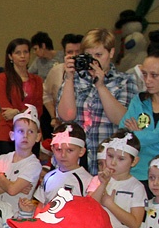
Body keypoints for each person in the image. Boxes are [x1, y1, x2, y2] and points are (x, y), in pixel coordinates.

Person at [57, 28, 137, 175]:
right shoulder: (74, 80)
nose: (93, 60)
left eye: (99, 55)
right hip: (74, 162)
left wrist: (100, 85)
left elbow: (121, 119)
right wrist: (68, 78)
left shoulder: (125, 81)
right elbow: (66, 116)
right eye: (88, 55)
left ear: (111, 53)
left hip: (108, 162)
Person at [120, 49, 159, 183]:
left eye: (154, 75)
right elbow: (124, 141)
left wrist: (140, 137)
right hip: (136, 178)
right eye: (145, 74)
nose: (147, 80)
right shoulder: (138, 102)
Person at [89, 131, 145, 228]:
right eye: (110, 156)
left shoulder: (136, 187)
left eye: (121, 159)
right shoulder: (99, 179)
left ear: (134, 161)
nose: (113, 162)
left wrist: (110, 204)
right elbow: (89, 209)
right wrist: (103, 184)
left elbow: (135, 223)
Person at [0, 38, 44, 156]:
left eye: (26, 52)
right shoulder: (3, 79)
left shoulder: (37, 80)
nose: (23, 56)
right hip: (8, 133)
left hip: (31, 134)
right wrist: (23, 112)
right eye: (18, 53)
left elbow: (38, 110)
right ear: (10, 56)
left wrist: (16, 112)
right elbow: (6, 112)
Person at [0, 105, 43, 211]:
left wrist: (0, 176)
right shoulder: (2, 159)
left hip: (16, 216)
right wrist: (11, 185)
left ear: (37, 137)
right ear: (12, 135)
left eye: (30, 132)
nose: (25, 135)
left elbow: (12, 190)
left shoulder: (33, 165)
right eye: (20, 131)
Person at [34, 123, 92, 204]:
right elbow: (41, 207)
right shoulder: (48, 177)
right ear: (52, 149)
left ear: (81, 151)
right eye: (59, 149)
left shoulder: (88, 181)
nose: (63, 155)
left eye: (69, 150)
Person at [43, 33, 83, 135]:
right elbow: (45, 93)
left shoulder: (92, 73)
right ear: (64, 53)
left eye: (78, 52)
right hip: (62, 127)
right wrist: (53, 115)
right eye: (70, 52)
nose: (74, 55)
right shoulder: (57, 71)